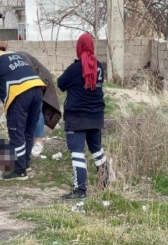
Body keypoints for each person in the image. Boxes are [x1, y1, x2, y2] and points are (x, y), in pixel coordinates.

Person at [0, 40, 45, 180]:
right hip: (38, 89)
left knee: (16, 132)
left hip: (19, 93)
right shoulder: (11, 54)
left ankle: (20, 171)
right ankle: (26, 165)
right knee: (28, 131)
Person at [58, 33, 108, 199]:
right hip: (96, 116)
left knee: (77, 153)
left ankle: (80, 190)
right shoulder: (99, 66)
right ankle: (105, 183)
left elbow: (60, 83)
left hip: (77, 117)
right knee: (97, 151)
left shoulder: (76, 68)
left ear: (79, 47)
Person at [0, 46, 59, 159]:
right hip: (31, 83)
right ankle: (26, 144)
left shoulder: (19, 57)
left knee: (37, 110)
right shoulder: (7, 62)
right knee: (28, 111)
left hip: (39, 79)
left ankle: (39, 142)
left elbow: (28, 77)